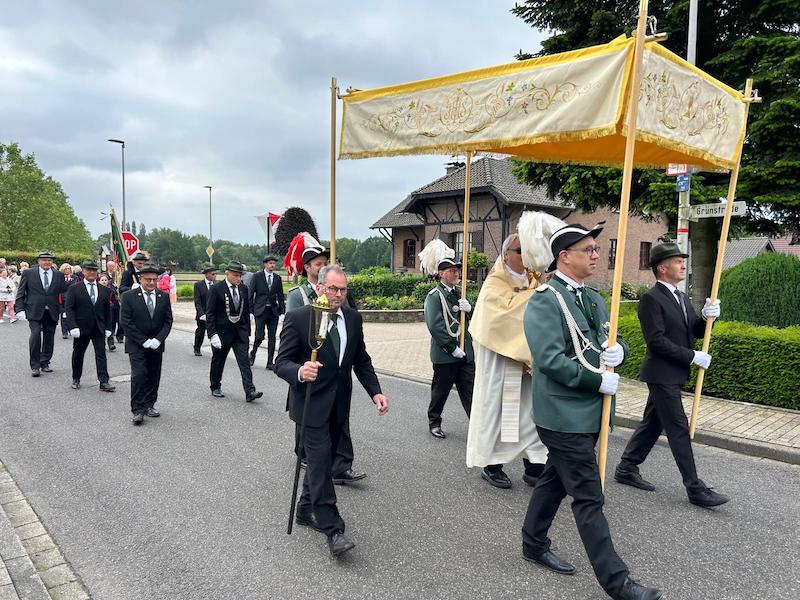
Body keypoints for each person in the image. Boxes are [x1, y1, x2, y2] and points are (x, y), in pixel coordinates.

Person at [521, 223, 662, 600]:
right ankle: (617, 583)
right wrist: (594, 381)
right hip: (562, 415)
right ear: (564, 256)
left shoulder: (595, 298)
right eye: (589, 249)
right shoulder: (544, 300)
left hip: (591, 412)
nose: (597, 255)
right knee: (589, 496)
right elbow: (549, 359)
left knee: (554, 480)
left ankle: (532, 543)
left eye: (597, 249)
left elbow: (604, 342)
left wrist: (621, 353)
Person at [275, 264, 389, 556]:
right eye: (333, 288)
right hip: (310, 404)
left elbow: (360, 360)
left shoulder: (352, 318)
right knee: (322, 463)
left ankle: (304, 510)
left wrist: (375, 391)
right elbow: (281, 362)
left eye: (343, 289)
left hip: (339, 405)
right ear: (320, 287)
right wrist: (301, 371)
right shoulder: (301, 318)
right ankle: (333, 528)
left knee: (318, 462)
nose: (338, 294)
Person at [614, 239, 728, 508]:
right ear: (662, 269)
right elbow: (657, 342)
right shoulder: (651, 299)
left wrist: (707, 316)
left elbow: (694, 331)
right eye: (678, 261)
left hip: (674, 374)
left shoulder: (681, 297)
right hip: (661, 373)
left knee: (653, 422)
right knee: (678, 428)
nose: (682, 264)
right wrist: (692, 356)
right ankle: (695, 487)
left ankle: (626, 467)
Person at [466, 231, 549, 489]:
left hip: (529, 362)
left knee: (530, 414)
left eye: (528, 251)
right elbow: (501, 318)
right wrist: (538, 297)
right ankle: (492, 466)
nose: (525, 257)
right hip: (502, 362)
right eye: (519, 251)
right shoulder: (494, 283)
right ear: (505, 254)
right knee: (503, 414)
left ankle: (534, 466)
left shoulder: (536, 280)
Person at [284, 232, 364, 485]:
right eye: (318, 263)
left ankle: (340, 465)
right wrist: (300, 369)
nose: (322, 265)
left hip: (336, 371)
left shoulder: (337, 291)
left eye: (324, 262)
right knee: (307, 422)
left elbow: (347, 315)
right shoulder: (299, 295)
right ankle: (306, 456)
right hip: (308, 368)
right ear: (308, 268)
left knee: (339, 421)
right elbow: (293, 331)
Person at [419, 239, 473, 439]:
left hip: (464, 353)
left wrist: (471, 309)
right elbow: (435, 326)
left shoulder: (461, 293)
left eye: (457, 270)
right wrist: (452, 347)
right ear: (441, 274)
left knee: (470, 391)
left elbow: (472, 320)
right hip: (446, 354)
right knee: (440, 392)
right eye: (451, 270)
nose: (456, 273)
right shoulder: (435, 296)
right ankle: (434, 421)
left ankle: (476, 425)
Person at [120, 263, 173, 425]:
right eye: (147, 279)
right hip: (137, 344)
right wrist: (143, 340)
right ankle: (137, 409)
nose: (151, 283)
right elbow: (126, 322)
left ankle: (150, 404)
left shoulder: (162, 297)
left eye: (154, 280)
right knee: (139, 375)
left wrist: (158, 339)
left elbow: (168, 320)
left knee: (153, 374)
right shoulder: (129, 296)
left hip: (156, 344)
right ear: (140, 279)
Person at [205, 261, 263, 403]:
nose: (239, 279)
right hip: (222, 332)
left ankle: (250, 390)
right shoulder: (216, 289)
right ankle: (215, 386)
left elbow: (246, 311)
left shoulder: (243, 288)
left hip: (239, 332)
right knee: (218, 360)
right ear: (227, 274)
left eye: (240, 276)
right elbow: (210, 313)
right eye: (236, 275)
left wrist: (248, 332)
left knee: (244, 361)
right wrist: (212, 334)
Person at [64, 260, 116, 392]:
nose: (92, 272)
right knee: (78, 353)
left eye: (94, 270)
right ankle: (76, 378)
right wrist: (72, 326)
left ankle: (104, 381)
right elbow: (69, 309)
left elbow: (107, 311)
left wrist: (109, 328)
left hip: (98, 327)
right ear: (83, 271)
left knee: (101, 354)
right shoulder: (74, 288)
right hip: (81, 328)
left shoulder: (104, 290)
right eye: (88, 270)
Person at [14, 250, 68, 377]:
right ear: (39, 261)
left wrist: (65, 310)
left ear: (52, 262)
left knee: (49, 338)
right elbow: (21, 292)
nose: (47, 262)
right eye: (44, 260)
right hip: (34, 310)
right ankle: (35, 365)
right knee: (35, 335)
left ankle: (45, 362)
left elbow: (65, 294)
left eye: (49, 260)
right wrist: (19, 309)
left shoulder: (58, 275)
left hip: (52, 311)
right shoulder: (28, 273)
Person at [249, 254, 285, 369]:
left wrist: (282, 312)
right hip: (260, 310)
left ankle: (270, 362)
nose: (272, 265)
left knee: (272, 336)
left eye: (274, 263)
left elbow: (280, 295)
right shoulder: (257, 276)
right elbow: (250, 294)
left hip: (273, 311)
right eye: (270, 263)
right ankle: (253, 353)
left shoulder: (277, 278)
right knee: (259, 336)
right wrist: (250, 311)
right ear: (265, 264)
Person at [118, 251, 149, 344]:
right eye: (140, 263)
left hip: (144, 299)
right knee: (126, 317)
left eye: (143, 263)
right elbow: (121, 288)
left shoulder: (146, 273)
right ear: (134, 262)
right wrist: (132, 288)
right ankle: (120, 334)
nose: (142, 265)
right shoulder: (128, 273)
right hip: (130, 300)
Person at [193, 265, 217, 356]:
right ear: (207, 275)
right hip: (203, 314)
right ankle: (197, 348)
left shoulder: (217, 284)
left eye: (215, 274)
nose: (215, 276)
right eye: (213, 274)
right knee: (201, 332)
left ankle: (215, 350)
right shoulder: (198, 285)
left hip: (214, 314)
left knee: (214, 332)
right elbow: (197, 301)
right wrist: (201, 314)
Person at [98, 273, 119, 351]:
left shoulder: (111, 289)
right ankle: (101, 344)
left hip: (110, 310)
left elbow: (115, 299)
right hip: (100, 311)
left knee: (110, 326)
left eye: (105, 280)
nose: (104, 282)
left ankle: (111, 343)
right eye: (102, 280)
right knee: (101, 327)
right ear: (99, 281)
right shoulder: (97, 289)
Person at [59, 263, 75, 339]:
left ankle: (70, 329)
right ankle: (64, 332)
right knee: (63, 316)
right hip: (62, 299)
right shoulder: (59, 278)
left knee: (71, 315)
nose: (67, 270)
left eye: (69, 269)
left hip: (72, 299)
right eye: (66, 269)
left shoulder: (74, 278)